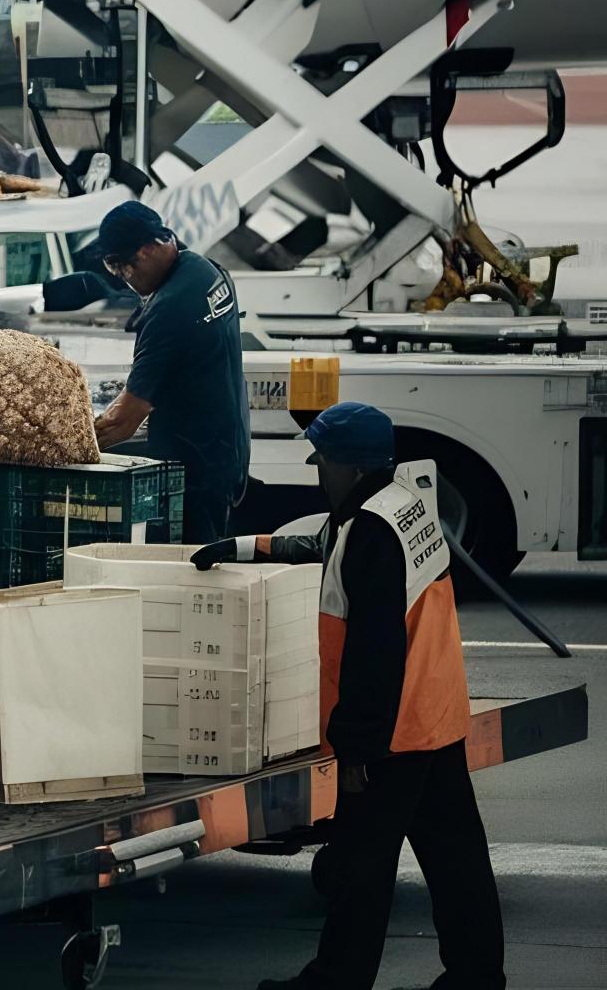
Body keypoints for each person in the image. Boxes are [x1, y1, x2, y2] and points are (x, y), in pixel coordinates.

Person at [193, 402, 499, 990]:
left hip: (392, 734)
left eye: (323, 461)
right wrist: (237, 548)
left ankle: (335, 980)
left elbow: (373, 652)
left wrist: (356, 749)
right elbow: (317, 544)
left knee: (362, 865)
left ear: (350, 467)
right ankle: (478, 976)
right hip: (437, 719)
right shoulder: (402, 507)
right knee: (456, 860)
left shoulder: (371, 534)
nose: (317, 471)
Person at [89, 201, 249, 541]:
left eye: (123, 269)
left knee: (193, 568)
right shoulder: (206, 269)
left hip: (193, 471)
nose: (125, 281)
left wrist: (69, 444)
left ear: (147, 249)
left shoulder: (168, 310)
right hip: (227, 450)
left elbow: (123, 420)